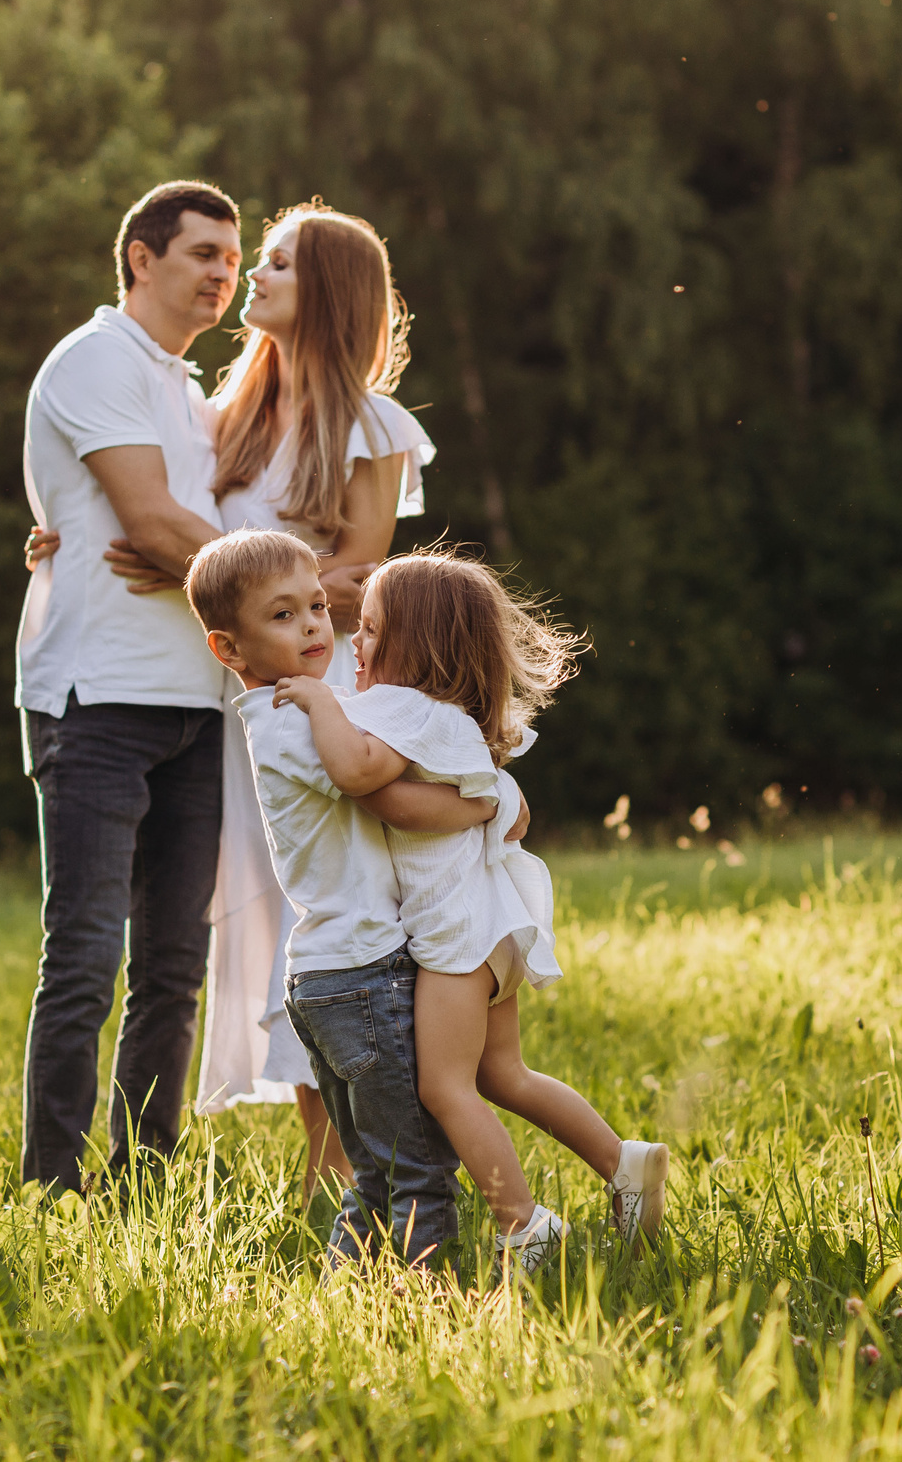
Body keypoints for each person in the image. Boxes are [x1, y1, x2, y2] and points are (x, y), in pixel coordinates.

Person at [28, 206, 433, 1196]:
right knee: (272, 924)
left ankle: (352, 1171)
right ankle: (314, 1172)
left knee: (333, 912)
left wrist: (213, 574)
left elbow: (359, 581)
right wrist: (63, 530)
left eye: (271, 261)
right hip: (234, 707)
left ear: (327, 291)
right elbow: (149, 502)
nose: (246, 274)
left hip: (320, 695)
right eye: (226, 256)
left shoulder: (372, 425)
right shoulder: (223, 415)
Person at [275, 551, 670, 1263]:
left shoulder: (401, 707)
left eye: (371, 629)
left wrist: (319, 701)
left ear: (416, 646)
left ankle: (525, 1228)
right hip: (496, 928)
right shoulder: (450, 715)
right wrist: (489, 803)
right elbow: (488, 805)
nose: (354, 641)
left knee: (445, 1087)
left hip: (455, 936)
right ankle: (623, 1163)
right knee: (503, 1075)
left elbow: (365, 779)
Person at [12, 179, 246, 1194]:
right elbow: (150, 523)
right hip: (96, 699)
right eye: (203, 253)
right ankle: (50, 1191)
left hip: (196, 701)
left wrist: (213, 564)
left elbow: (175, 531)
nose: (223, 274)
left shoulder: (189, 394)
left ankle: (142, 1182)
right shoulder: (96, 357)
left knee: (172, 969)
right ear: (141, 258)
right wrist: (283, 588)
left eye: (232, 259)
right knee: (82, 959)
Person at [181, 528, 501, 1265]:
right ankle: (425, 1295)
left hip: (336, 972)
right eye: (283, 615)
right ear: (229, 649)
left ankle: (346, 1279)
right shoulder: (290, 718)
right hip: (363, 971)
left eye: (318, 606)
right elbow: (370, 771)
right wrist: (481, 796)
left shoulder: (309, 707)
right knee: (418, 1162)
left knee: (376, 1169)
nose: (313, 626)